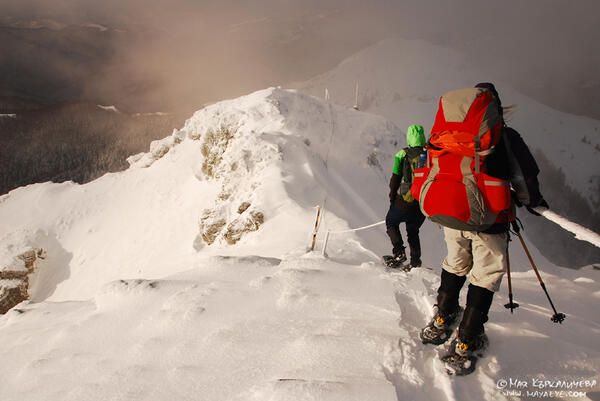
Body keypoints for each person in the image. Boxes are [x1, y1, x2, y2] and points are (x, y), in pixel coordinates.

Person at [419, 83, 549, 373]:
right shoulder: (504, 137)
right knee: (486, 274)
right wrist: (532, 202)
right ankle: (467, 340)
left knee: (455, 263)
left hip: (452, 212)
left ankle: (442, 319)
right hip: (490, 218)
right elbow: (524, 176)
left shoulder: (445, 135)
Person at [385, 124, 427, 269]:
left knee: (391, 221)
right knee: (413, 231)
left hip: (404, 201)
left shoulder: (402, 155)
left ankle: (399, 252)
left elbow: (395, 178)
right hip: (422, 203)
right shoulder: (430, 154)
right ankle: (415, 262)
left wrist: (392, 198)